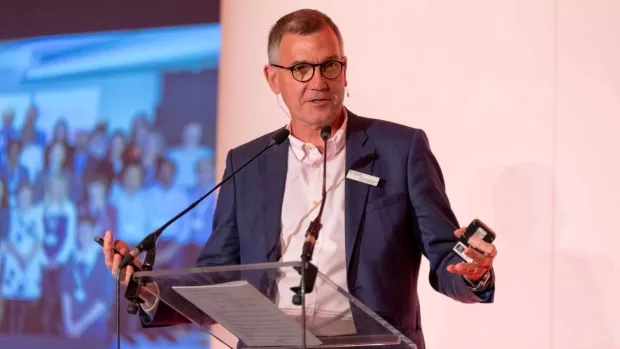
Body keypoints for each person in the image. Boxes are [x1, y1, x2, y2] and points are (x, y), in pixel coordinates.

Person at [102, 9, 498, 349]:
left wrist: (474, 274)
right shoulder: (247, 163)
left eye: (330, 66)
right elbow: (219, 274)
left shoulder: (400, 149)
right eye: (301, 69)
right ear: (273, 79)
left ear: (345, 72)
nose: (319, 82)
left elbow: (447, 259)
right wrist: (148, 285)